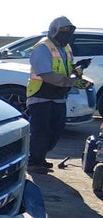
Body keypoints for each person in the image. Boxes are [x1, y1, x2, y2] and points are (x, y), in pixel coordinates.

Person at [26, 16, 88, 174]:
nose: (67, 35)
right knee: (41, 131)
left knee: (55, 130)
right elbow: (47, 75)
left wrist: (78, 69)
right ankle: (33, 162)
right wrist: (71, 82)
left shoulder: (66, 48)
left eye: (69, 32)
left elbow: (66, 68)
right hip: (41, 95)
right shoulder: (42, 48)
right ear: (55, 31)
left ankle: (40, 158)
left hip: (58, 96)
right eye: (64, 31)